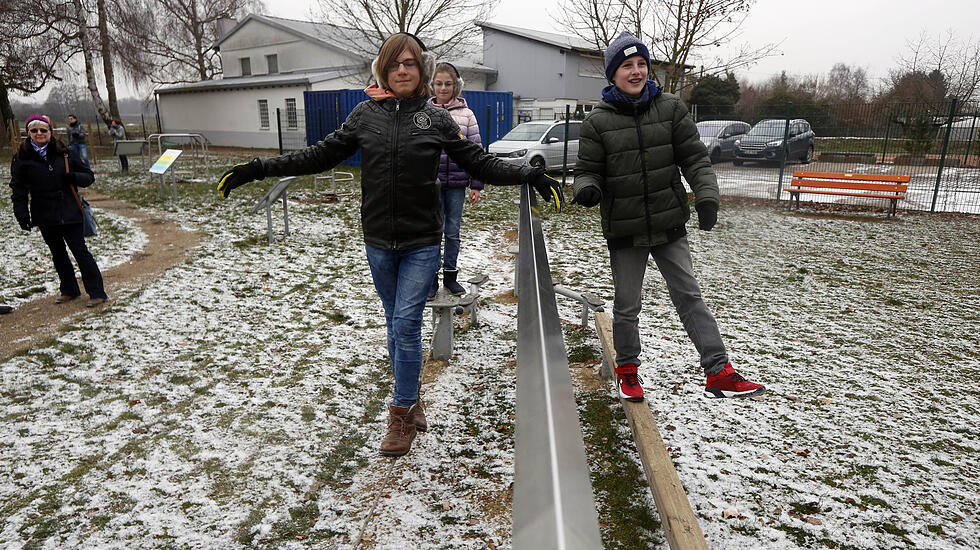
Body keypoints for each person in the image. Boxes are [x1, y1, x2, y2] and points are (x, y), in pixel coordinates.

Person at [216, 32, 564, 457]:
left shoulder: (436, 119)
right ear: (384, 68)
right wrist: (258, 168)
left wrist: (527, 173)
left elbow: (477, 161)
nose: (403, 70)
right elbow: (318, 155)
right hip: (378, 241)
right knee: (394, 324)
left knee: (404, 324)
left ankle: (400, 415)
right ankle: (411, 395)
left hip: (421, 241)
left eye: (411, 64)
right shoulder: (364, 115)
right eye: (395, 63)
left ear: (421, 71)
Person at [571, 32, 764, 401]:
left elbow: (694, 158)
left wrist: (706, 197)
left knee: (689, 295)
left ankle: (719, 371)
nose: (636, 71)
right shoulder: (597, 122)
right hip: (625, 227)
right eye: (627, 65)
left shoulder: (671, 108)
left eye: (641, 63)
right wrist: (587, 188)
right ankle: (627, 369)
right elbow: (586, 169)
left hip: (668, 222)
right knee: (627, 305)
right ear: (613, 73)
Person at [10, 115, 108, 308]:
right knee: (58, 253)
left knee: (80, 252)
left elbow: (89, 176)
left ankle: (97, 292)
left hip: (69, 210)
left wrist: (74, 177)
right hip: (44, 212)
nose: (39, 134)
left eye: (43, 130)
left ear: (50, 132)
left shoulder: (66, 152)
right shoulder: (21, 157)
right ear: (28, 133)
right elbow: (18, 188)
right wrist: (21, 213)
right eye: (34, 130)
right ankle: (70, 289)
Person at [428, 61, 483, 297]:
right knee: (431, 231)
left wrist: (477, 184)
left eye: (448, 84)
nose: (443, 88)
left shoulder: (467, 115)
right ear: (432, 85)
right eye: (438, 83)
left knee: (452, 231)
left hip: (457, 185)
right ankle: (430, 279)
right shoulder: (424, 113)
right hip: (430, 185)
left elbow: (476, 150)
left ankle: (450, 276)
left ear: (456, 86)